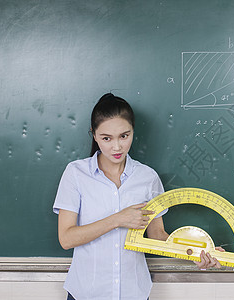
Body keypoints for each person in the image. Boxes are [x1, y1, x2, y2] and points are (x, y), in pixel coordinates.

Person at [53, 93, 222, 300]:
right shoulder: (76, 174)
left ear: (133, 132)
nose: (117, 147)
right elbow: (67, 238)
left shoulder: (147, 177)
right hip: (86, 293)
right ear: (94, 135)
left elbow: (158, 236)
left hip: (134, 293)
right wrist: (117, 219)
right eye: (107, 138)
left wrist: (197, 252)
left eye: (124, 136)